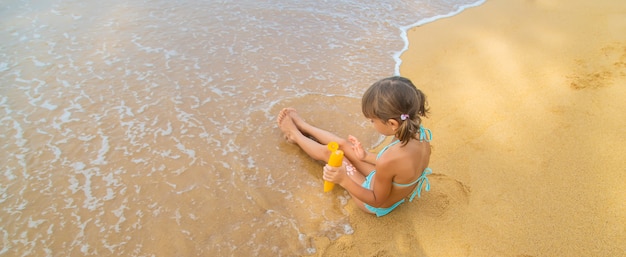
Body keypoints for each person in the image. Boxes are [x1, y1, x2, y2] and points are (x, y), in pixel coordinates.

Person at [277, 76, 432, 217]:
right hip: (383, 182)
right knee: (344, 145)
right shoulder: (420, 134)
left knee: (331, 154)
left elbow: (376, 200)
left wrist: (344, 180)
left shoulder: (389, 160)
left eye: (372, 120)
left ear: (392, 123)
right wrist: (365, 156)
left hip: (375, 202)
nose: (371, 123)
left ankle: (294, 135)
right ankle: (303, 126)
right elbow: (397, 168)